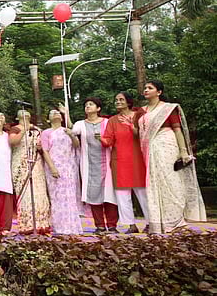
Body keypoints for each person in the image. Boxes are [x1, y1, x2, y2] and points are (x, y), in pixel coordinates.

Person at [137, 80, 206, 234]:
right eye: (145, 88)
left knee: (172, 182)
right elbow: (138, 132)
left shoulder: (168, 109)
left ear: (159, 92)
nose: (146, 90)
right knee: (155, 183)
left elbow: (177, 130)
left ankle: (177, 222)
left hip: (167, 145)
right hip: (149, 150)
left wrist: (183, 151)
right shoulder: (141, 111)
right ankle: (159, 223)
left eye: (150, 88)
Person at [66, 98, 118, 234]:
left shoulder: (107, 123)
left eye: (90, 104)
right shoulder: (80, 124)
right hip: (89, 164)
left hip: (107, 162)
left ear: (98, 108)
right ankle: (100, 225)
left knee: (109, 194)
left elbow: (113, 138)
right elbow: (73, 132)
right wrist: (66, 115)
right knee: (93, 193)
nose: (87, 106)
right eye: (86, 105)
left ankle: (112, 225)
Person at [100, 92, 149, 233]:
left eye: (121, 99)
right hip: (120, 161)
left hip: (138, 159)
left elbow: (145, 134)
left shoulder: (139, 115)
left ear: (129, 102)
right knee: (122, 195)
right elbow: (108, 140)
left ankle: (151, 222)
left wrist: (131, 126)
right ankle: (130, 225)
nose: (118, 102)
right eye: (116, 100)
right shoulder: (113, 120)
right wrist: (100, 139)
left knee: (143, 193)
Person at [41, 108, 82, 235]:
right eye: (52, 113)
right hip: (54, 165)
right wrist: (52, 167)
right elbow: (45, 150)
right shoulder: (46, 133)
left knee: (69, 196)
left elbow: (76, 145)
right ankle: (59, 226)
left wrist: (71, 135)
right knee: (57, 196)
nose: (56, 114)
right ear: (48, 119)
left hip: (68, 166)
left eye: (57, 112)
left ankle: (72, 226)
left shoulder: (66, 130)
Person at [11, 109, 51, 234]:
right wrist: (24, 129)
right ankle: (27, 225)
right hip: (20, 165)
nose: (24, 113)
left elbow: (44, 147)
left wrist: (40, 148)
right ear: (17, 118)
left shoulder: (38, 130)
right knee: (26, 195)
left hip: (36, 163)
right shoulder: (15, 129)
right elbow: (12, 142)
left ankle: (42, 224)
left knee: (39, 193)